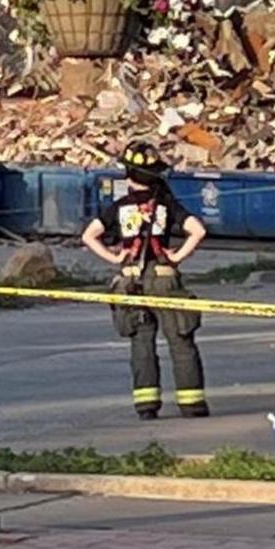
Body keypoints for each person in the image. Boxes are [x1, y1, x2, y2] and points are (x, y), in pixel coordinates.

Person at [82, 141, 209, 419]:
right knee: (180, 339)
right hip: (164, 279)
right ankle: (192, 404)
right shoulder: (166, 205)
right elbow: (197, 230)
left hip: (130, 282)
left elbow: (88, 235)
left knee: (141, 343)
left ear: (128, 175)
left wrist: (115, 259)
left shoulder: (119, 207)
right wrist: (176, 258)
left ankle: (147, 406)